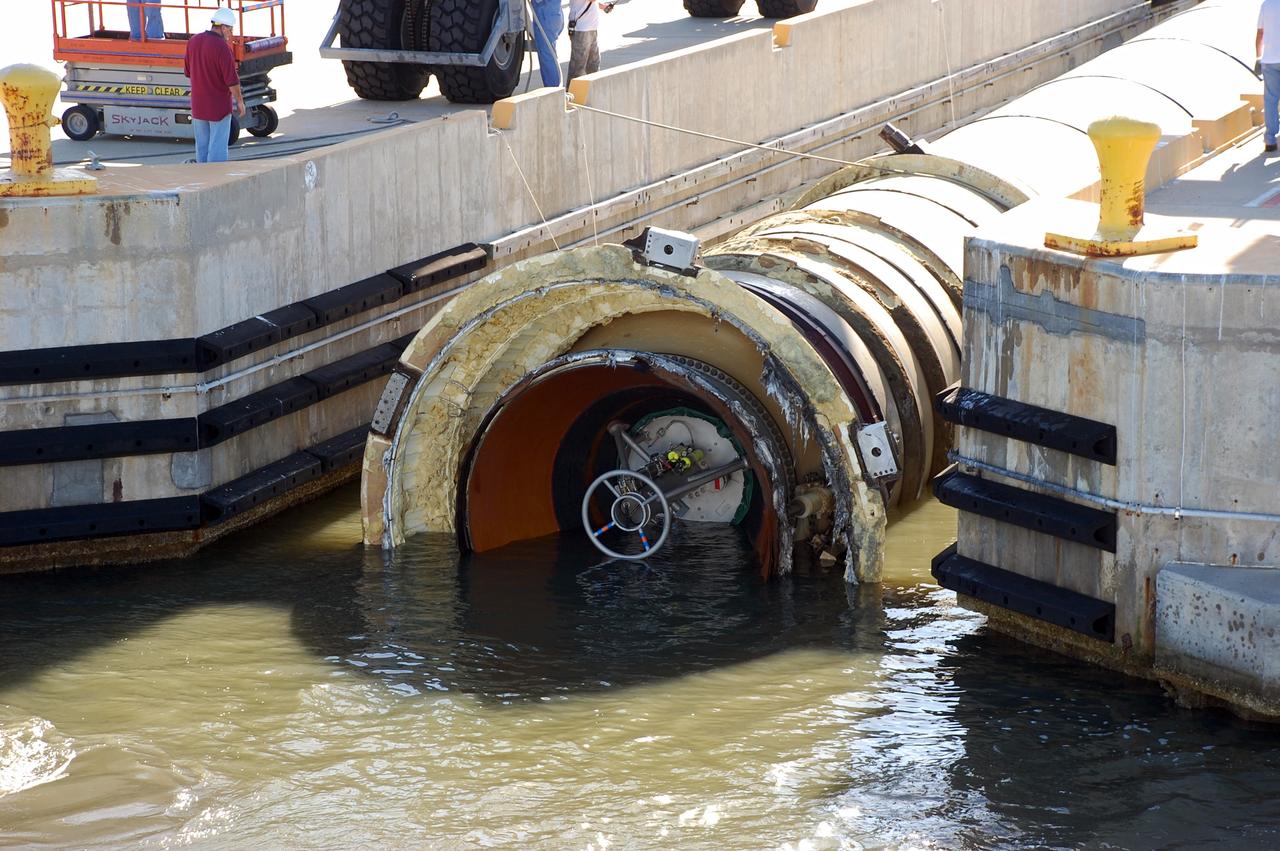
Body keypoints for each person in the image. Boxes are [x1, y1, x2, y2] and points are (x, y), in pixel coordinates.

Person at [183, 7, 246, 163]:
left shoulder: (193, 42)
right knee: (217, 148)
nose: (230, 34)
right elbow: (232, 81)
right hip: (218, 107)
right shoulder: (223, 48)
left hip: (198, 105)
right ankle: (216, 181)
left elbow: (188, 71)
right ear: (223, 27)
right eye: (230, 30)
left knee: (202, 147)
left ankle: (203, 181)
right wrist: (239, 101)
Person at [567, 0, 613, 83]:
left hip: (591, 27)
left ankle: (592, 91)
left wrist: (603, 6)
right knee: (578, 67)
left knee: (593, 64)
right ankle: (572, 93)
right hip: (581, 28)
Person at [1259, 0, 1280, 153]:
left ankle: (1270, 140)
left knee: (1271, 100)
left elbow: (1260, 33)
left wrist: (1257, 56)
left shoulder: (1266, 5)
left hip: (1269, 59)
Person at [530, 0, 564, 88]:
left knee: (547, 56)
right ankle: (554, 89)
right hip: (552, 14)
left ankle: (554, 90)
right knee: (549, 55)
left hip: (546, 16)